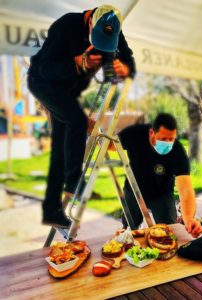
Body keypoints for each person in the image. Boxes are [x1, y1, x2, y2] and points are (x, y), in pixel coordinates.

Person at [28, 5, 136, 228]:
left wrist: (123, 70)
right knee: (76, 121)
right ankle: (74, 182)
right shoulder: (65, 26)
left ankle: (52, 210)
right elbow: (45, 69)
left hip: (67, 90)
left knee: (61, 144)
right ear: (89, 22)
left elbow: (124, 57)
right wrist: (76, 62)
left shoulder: (113, 26)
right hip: (44, 83)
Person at [117, 113, 202, 238]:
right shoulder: (134, 134)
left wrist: (189, 218)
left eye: (171, 139)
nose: (168, 143)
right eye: (163, 139)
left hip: (162, 194)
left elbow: (185, 189)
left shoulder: (177, 151)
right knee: (128, 232)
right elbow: (110, 145)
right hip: (134, 191)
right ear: (152, 133)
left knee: (169, 232)